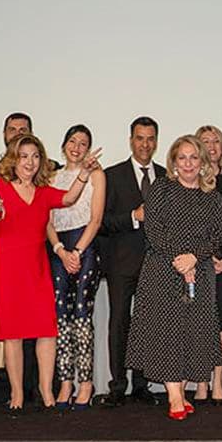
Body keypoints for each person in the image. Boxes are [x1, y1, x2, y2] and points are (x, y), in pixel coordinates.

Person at [0, 133, 98, 411]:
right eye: (23, 156)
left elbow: (68, 199)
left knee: (46, 330)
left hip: (37, 267)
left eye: (35, 156)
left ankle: (46, 389)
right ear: (13, 160)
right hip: (6, 267)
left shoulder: (43, 192)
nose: (30, 162)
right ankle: (17, 393)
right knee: (13, 333)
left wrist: (85, 173)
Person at [126, 136, 222, 420]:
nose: (188, 164)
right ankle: (174, 396)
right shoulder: (162, 188)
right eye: (182, 158)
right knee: (166, 334)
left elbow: (218, 237)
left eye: (194, 157)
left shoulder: (213, 197)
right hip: (162, 271)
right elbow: (154, 230)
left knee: (192, 334)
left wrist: (194, 258)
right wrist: (180, 262)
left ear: (203, 162)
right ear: (173, 162)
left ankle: (181, 392)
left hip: (201, 273)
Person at [99, 117, 164, 406]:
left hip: (156, 265)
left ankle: (141, 384)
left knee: (148, 326)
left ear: (156, 142)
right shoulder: (112, 176)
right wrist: (133, 219)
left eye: (150, 138)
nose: (145, 144)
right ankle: (117, 385)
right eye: (140, 138)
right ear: (130, 141)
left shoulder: (165, 177)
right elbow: (101, 222)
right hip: (121, 264)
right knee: (120, 323)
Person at [46, 125, 107, 410]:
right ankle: (65, 382)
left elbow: (95, 219)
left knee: (82, 312)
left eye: (84, 143)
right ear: (63, 145)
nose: (77, 147)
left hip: (85, 246)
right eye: (72, 141)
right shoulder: (51, 176)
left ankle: (86, 383)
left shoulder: (97, 175)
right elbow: (45, 220)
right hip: (58, 248)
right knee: (60, 315)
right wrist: (60, 249)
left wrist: (77, 252)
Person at [194, 125, 222, 406]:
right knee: (199, 323)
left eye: (216, 141)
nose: (212, 146)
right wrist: (203, 254)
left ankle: (218, 382)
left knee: (221, 322)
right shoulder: (189, 181)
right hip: (198, 260)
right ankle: (201, 383)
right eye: (205, 141)